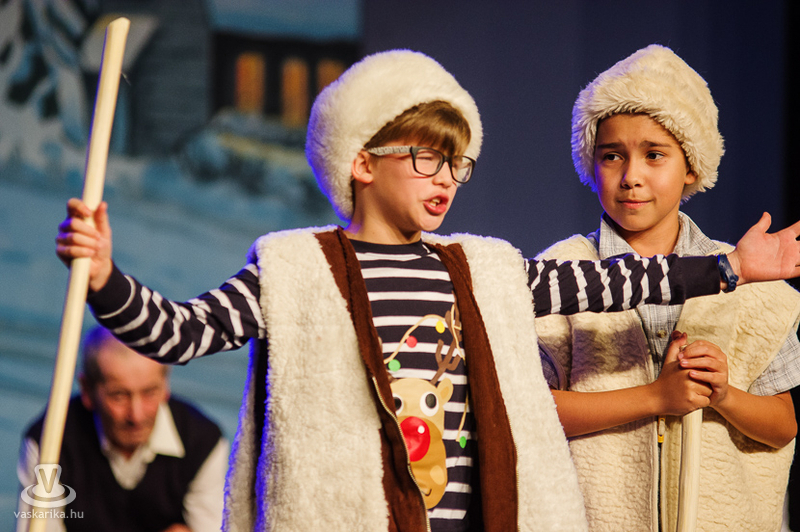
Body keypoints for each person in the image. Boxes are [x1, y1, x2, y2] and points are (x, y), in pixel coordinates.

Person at [54, 49, 800, 532]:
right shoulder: (295, 268)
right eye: (425, 158)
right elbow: (179, 333)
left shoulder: (479, 269)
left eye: (457, 164)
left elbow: (610, 280)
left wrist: (731, 267)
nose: (446, 178)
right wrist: (105, 279)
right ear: (362, 161)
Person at [535, 44, 800, 532]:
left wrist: (723, 394)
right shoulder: (561, 273)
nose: (631, 176)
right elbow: (530, 409)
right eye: (611, 156)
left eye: (654, 155)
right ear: (590, 164)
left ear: (691, 166)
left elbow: (783, 425)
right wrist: (657, 396)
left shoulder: (756, 288)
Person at [16, 326, 228, 532]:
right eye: (119, 395)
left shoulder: (203, 442)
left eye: (149, 392)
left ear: (166, 386)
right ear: (87, 390)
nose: (136, 416)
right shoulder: (49, 442)